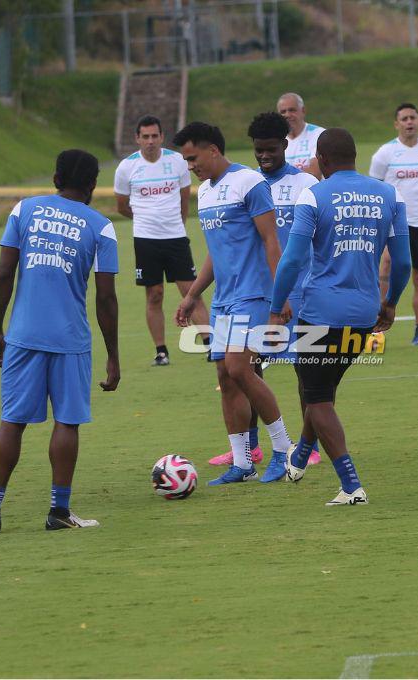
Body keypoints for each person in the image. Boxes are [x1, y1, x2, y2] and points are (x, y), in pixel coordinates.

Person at [0, 150, 120, 535]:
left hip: (23, 335)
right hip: (70, 339)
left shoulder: (24, 210)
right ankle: (59, 511)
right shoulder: (101, 227)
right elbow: (105, 298)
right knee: (67, 422)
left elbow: (4, 274)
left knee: (12, 421)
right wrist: (113, 355)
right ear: (93, 185)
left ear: (55, 178)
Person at [271, 128, 412, 505]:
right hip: (365, 312)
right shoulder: (389, 194)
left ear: (323, 159)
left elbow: (293, 259)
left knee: (317, 397)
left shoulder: (313, 195)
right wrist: (391, 302)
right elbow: (402, 261)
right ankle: (301, 453)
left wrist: (274, 308)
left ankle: (351, 486)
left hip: (319, 311)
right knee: (319, 387)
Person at [172, 121, 296, 486]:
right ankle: (242, 463)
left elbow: (272, 241)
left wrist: (281, 294)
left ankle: (284, 449)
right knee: (226, 377)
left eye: (193, 158)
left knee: (241, 368)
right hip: (225, 298)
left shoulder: (249, 183)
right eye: (185, 160)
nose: (190, 166)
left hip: (254, 293)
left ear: (213, 149)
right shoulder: (206, 193)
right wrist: (193, 294)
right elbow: (215, 252)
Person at [207, 112, 323, 474]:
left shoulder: (306, 182)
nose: (263, 157)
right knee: (249, 370)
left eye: (270, 150)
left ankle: (308, 446)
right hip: (262, 291)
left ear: (285, 145)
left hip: (301, 291)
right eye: (258, 151)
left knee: (306, 372)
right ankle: (252, 448)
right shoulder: (249, 183)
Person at [114, 115, 209, 366]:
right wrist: (146, 218)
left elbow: (184, 199)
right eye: (145, 137)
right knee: (154, 295)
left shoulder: (177, 161)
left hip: (176, 237)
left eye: (154, 136)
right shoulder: (126, 167)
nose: (150, 141)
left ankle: (211, 344)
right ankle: (161, 351)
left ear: (162, 137)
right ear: (137, 139)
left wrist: (175, 223)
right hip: (145, 240)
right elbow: (122, 206)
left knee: (191, 291)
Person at [370, 103, 418, 345]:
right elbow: (375, 189)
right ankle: (376, 332)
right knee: (386, 269)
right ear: (396, 124)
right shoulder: (385, 153)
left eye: (413, 117)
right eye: (404, 119)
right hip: (394, 223)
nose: (409, 122)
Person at [277, 92, 325, 178]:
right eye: (283, 112)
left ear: (303, 110)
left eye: (292, 110)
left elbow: (314, 174)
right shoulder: (275, 139)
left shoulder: (319, 134)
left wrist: (281, 177)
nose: (287, 115)